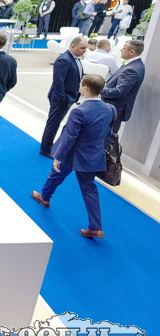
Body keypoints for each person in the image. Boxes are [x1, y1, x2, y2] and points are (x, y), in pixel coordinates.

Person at [31, 75, 113, 239]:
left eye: (81, 85)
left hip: (72, 154)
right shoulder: (110, 109)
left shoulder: (79, 111)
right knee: (89, 189)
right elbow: (109, 132)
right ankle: (96, 227)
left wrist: (58, 157)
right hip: (93, 156)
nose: (79, 87)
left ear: (86, 88)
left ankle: (44, 198)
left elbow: (69, 137)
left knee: (55, 175)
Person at [39, 36, 87, 158]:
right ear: (72, 46)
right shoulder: (64, 60)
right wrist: (63, 99)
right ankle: (45, 149)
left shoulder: (75, 59)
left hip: (69, 97)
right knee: (53, 124)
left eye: (85, 48)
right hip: (61, 99)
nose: (84, 51)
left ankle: (48, 144)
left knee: (55, 122)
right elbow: (58, 81)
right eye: (82, 48)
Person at [100, 39, 145, 132]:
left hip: (114, 110)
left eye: (124, 49)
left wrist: (99, 89)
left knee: (106, 138)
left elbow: (119, 92)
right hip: (113, 109)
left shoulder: (131, 69)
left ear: (131, 52)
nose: (121, 50)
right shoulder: (134, 65)